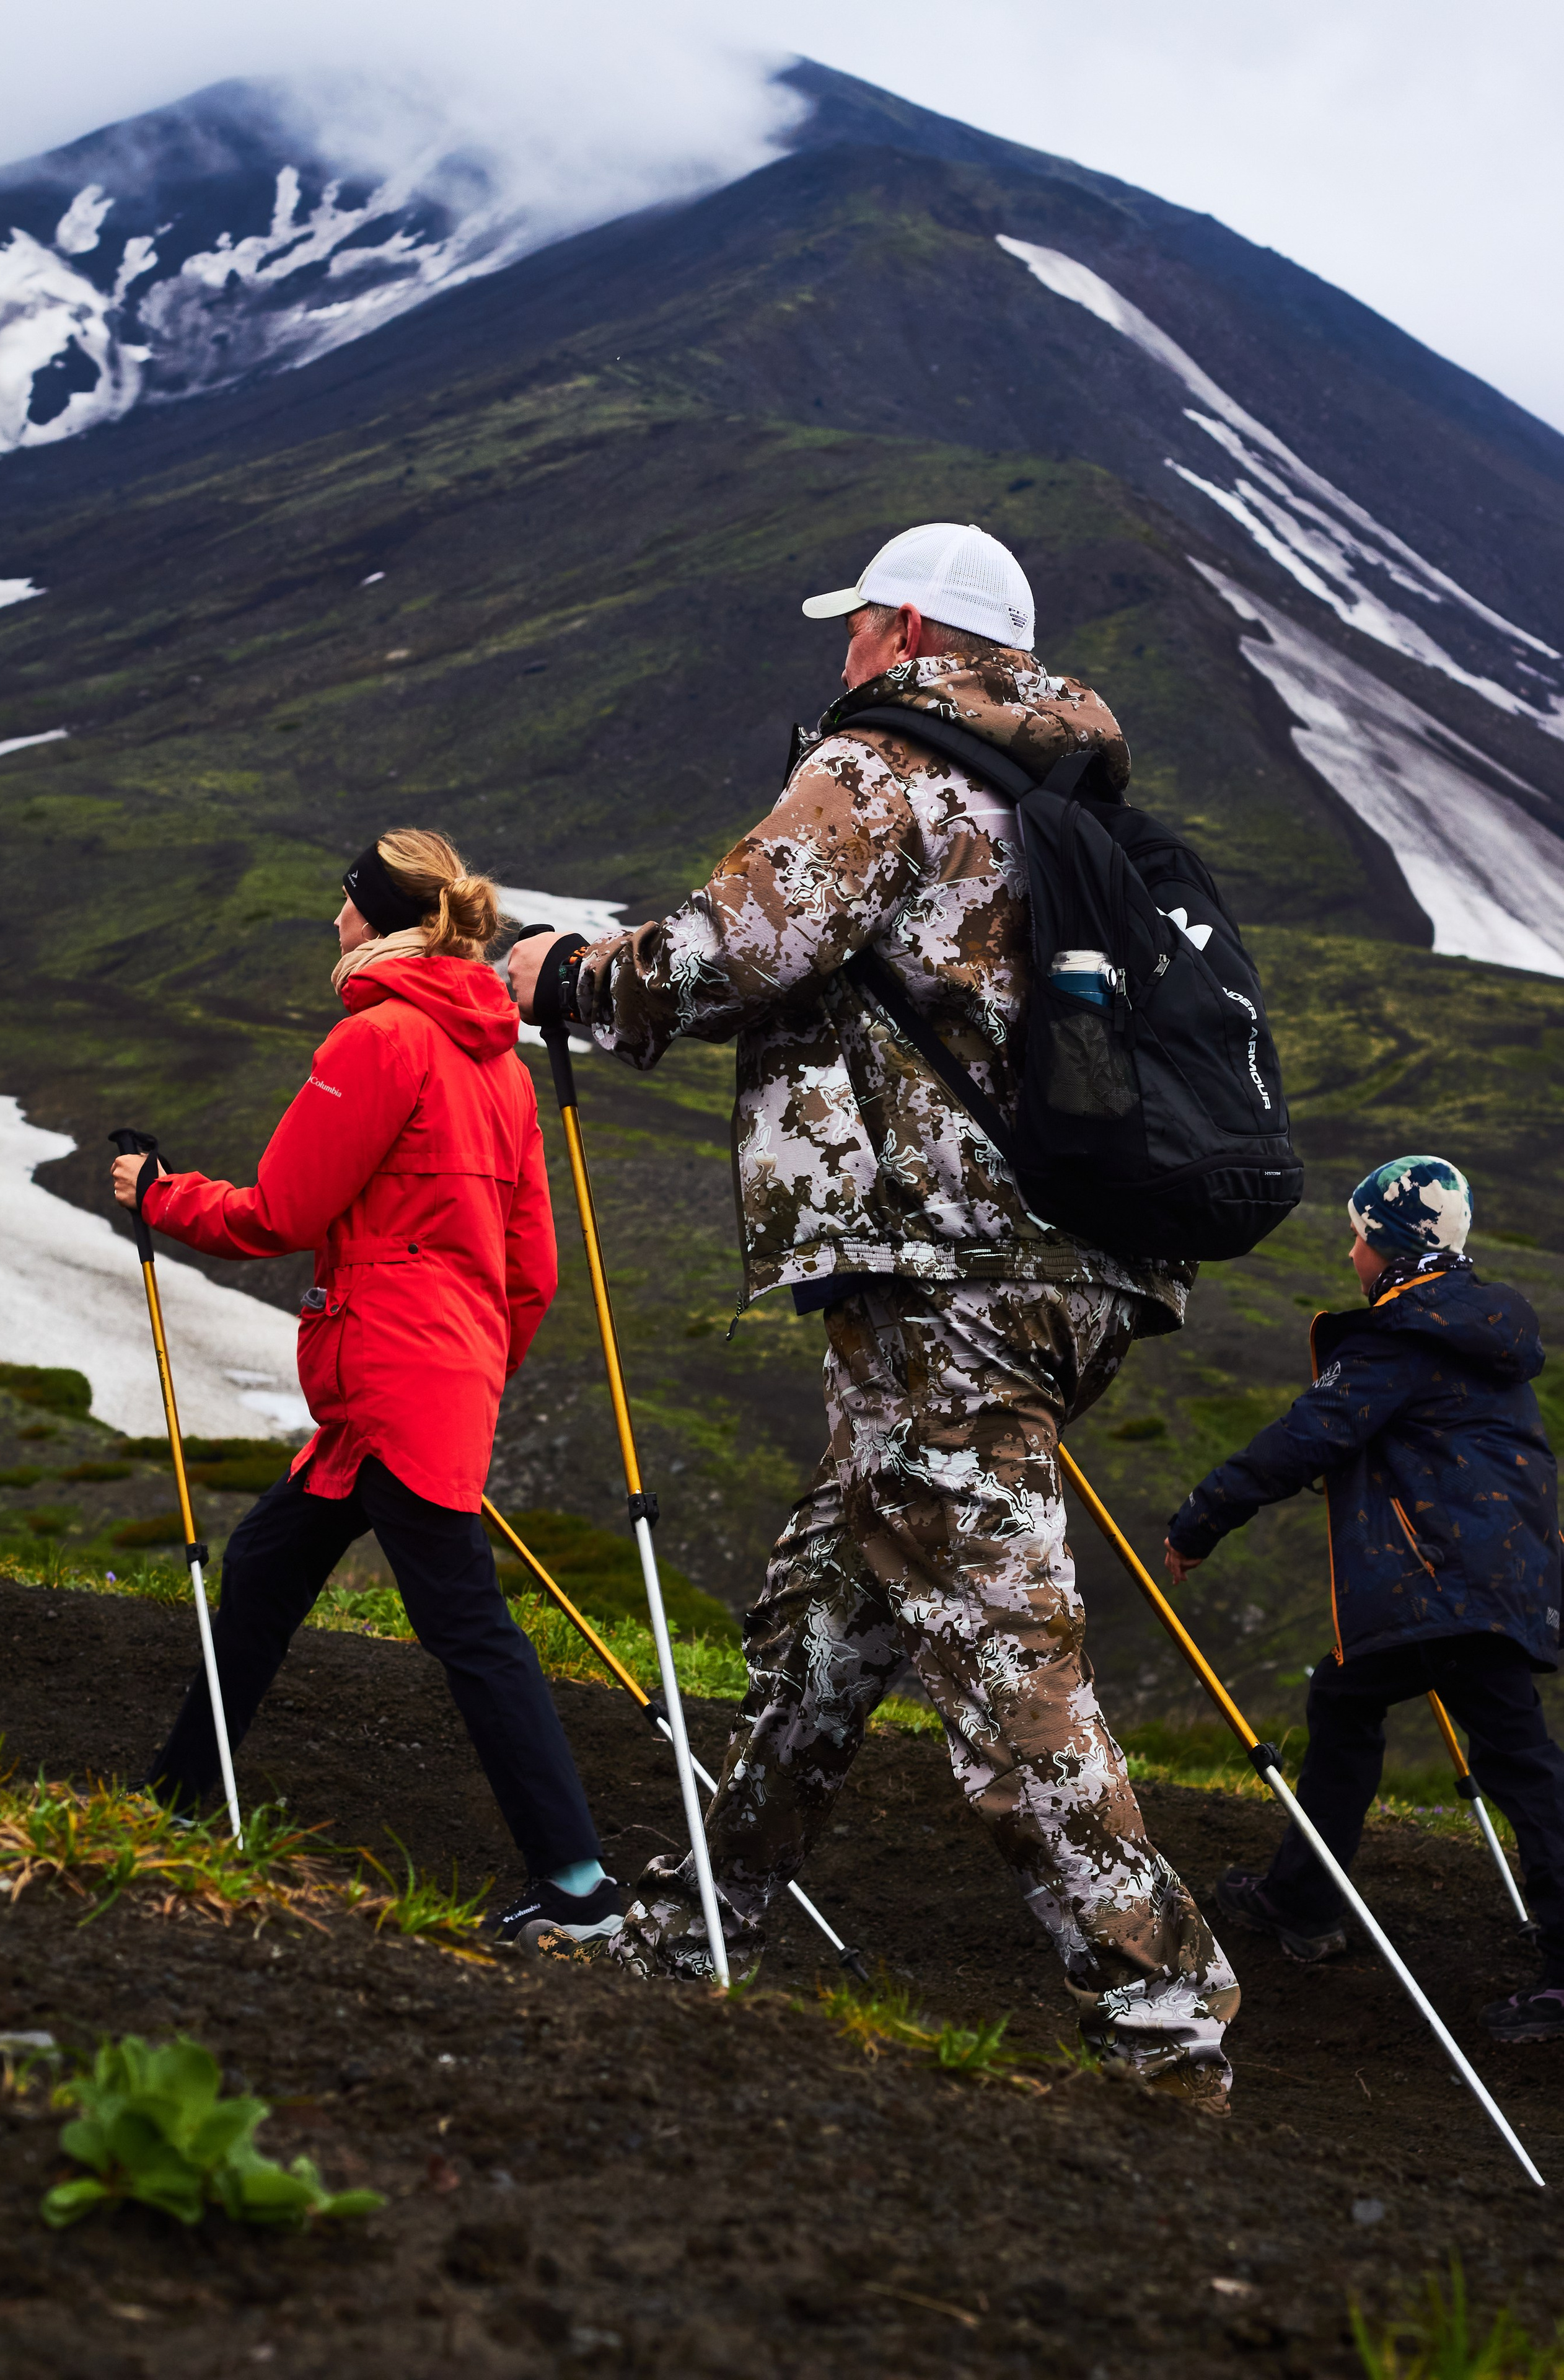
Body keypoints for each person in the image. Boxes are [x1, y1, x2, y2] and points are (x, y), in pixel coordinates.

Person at [509, 522, 1239, 2103]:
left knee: (997, 1648)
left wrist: (559, 975)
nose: (837, 652)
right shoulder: (1056, 791)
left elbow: (732, 953)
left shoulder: (885, 762)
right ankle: (705, 1917)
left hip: (945, 1270)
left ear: (904, 630)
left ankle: (1167, 2022)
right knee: (832, 1612)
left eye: (854, 627)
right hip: (1077, 1266)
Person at [116, 829, 625, 1947]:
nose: (331, 923)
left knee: (467, 1626)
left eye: (341, 905)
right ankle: (171, 1802)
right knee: (262, 1570)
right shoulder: (499, 1062)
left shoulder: (380, 1038)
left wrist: (160, 1195)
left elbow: (280, 1214)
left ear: (374, 918)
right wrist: (472, 1373)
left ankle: (580, 1889)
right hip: (410, 1394)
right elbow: (528, 1270)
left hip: (390, 1384)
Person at [1165, 1155, 1564, 2043]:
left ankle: (1315, 1907)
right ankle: (1302, 1900)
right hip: (1501, 1576)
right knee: (1352, 1703)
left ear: (1389, 1244)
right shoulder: (1485, 1331)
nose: (1351, 1255)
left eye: (1358, 1237)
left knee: (1522, 1765)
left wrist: (1202, 1518)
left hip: (1442, 1581)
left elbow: (1311, 1433)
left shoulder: (1404, 1336)